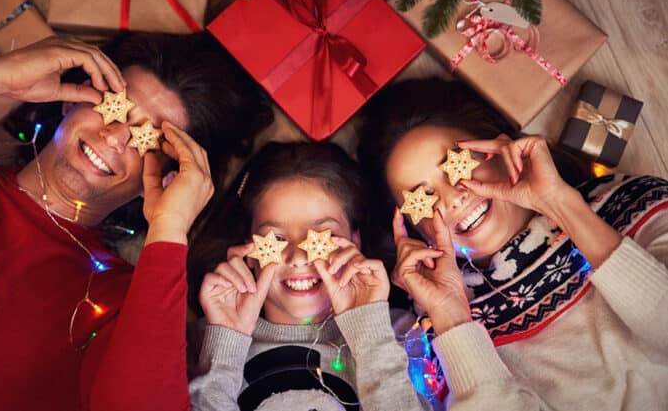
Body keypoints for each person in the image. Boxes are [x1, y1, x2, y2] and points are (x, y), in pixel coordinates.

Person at [0, 33, 270, 411]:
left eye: (147, 139)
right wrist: (0, 74)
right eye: (114, 107)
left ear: (167, 179)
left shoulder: (120, 305)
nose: (116, 136)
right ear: (72, 98)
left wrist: (168, 228)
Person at [357, 78, 668, 411]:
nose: (452, 198)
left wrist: (562, 205)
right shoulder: (437, 341)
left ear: (497, 149)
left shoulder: (633, 206)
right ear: (412, 229)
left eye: (457, 165)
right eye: (424, 198)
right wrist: (451, 318)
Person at [188, 141, 426, 411]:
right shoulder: (205, 342)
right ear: (250, 252)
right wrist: (223, 346)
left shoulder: (399, 332)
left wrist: (369, 332)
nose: (299, 257)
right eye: (276, 238)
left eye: (323, 236)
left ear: (355, 241)